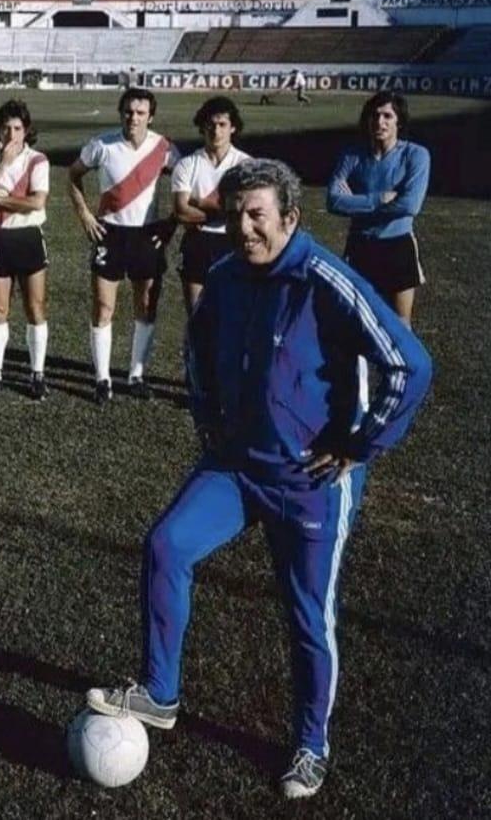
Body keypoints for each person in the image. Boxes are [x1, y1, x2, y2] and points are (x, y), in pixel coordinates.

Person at [85, 159, 432, 800]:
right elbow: (198, 348)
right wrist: (208, 418)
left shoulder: (325, 278)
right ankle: (159, 694)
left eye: (257, 216)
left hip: (309, 480)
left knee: (307, 617)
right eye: (235, 214)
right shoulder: (223, 277)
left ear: (289, 219)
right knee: (167, 545)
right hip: (237, 465)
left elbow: (409, 365)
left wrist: (362, 445)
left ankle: (310, 745)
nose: (244, 228)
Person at [67, 87, 180, 404]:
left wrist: (172, 222)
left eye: (141, 113)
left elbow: (186, 182)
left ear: (151, 116)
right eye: (129, 112)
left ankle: (136, 375)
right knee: (104, 307)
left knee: (146, 306)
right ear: (121, 114)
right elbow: (73, 175)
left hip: (147, 235)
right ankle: (102, 378)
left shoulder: (165, 149)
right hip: (110, 234)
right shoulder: (102, 144)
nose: (134, 118)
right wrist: (85, 214)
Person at [0, 99, 50, 401]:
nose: (11, 134)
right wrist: (2, 165)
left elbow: (36, 202)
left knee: (35, 309)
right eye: (6, 128)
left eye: (17, 128)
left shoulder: (37, 161)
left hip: (28, 237)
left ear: (26, 131)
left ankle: (37, 374)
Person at [326, 91, 430, 328]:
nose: (380, 122)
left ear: (399, 121)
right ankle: (358, 367)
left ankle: (399, 366)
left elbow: (410, 205)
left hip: (398, 245)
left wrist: (355, 203)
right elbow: (333, 201)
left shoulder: (416, 155)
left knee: (400, 324)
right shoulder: (352, 156)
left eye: (387, 116)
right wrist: (378, 199)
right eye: (375, 115)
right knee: (356, 320)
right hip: (360, 245)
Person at [171, 96, 251, 315]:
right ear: (202, 127)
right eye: (211, 125)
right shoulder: (187, 164)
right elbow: (180, 212)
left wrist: (197, 202)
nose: (216, 131)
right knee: (197, 316)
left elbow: (245, 211)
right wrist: (223, 211)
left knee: (232, 314)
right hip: (198, 243)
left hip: (233, 241)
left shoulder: (245, 165)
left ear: (233, 128)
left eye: (222, 125)